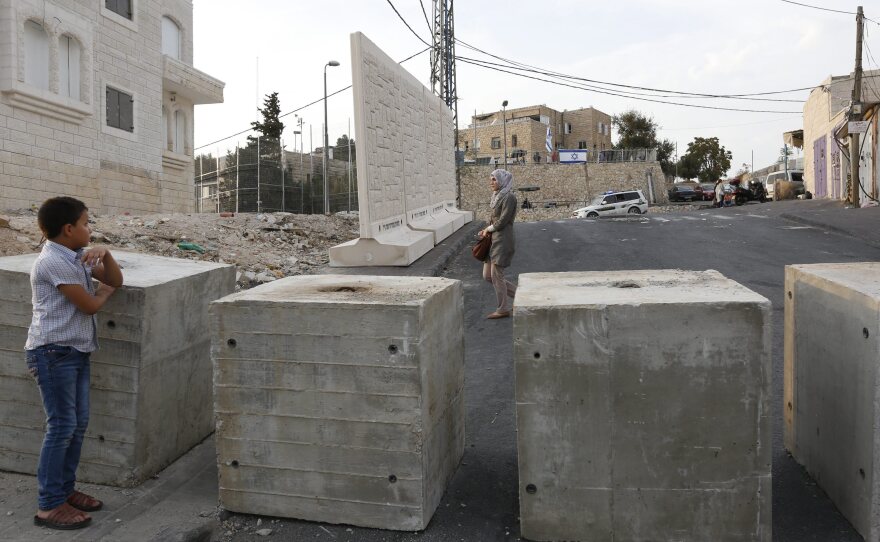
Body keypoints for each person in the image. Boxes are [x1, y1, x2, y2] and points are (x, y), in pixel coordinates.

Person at [25, 197, 123, 530]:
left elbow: (116, 280)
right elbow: (89, 305)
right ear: (69, 229)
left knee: (76, 425)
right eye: (86, 223)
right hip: (52, 353)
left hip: (74, 351)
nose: (90, 228)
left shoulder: (76, 257)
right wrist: (103, 294)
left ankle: (64, 491)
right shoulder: (52, 262)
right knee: (62, 427)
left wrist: (105, 254)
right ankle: (49, 505)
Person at [478, 169, 517, 319]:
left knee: (496, 275)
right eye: (491, 179)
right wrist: (485, 230)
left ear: (502, 180)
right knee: (488, 276)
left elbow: (503, 220)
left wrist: (489, 228)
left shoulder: (509, 197)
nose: (491, 182)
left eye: (494, 179)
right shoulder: (497, 196)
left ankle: (502, 309)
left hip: (503, 240)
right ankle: (521, 295)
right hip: (493, 239)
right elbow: (494, 219)